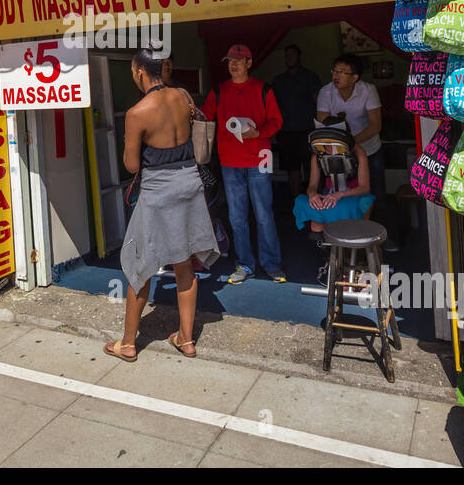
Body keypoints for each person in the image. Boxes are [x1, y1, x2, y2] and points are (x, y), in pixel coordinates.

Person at [105, 51, 218, 362]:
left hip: (158, 190)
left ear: (140, 72)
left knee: (139, 264)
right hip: (189, 183)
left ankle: (128, 343)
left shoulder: (137, 112)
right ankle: (186, 338)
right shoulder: (183, 96)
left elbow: (131, 165)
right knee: (183, 261)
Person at [201, 44, 285, 284]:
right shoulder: (218, 91)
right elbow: (205, 116)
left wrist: (257, 133)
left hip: (260, 158)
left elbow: (277, 121)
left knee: (264, 214)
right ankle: (245, 264)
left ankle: (272, 264)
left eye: (238, 60)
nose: (233, 64)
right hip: (230, 161)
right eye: (230, 61)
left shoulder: (263, 90)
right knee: (237, 217)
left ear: (249, 63)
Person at [316, 54, 386, 203]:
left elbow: (375, 125)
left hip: (369, 149)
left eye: (342, 72)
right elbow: (323, 127)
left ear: (355, 77)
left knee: (376, 194)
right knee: (341, 194)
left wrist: (350, 143)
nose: (336, 76)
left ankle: (378, 225)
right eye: (334, 71)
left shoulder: (368, 90)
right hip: (339, 154)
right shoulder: (325, 92)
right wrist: (345, 146)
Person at [293, 136, 374, 238]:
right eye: (327, 144)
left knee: (348, 226)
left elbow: (365, 188)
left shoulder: (358, 153)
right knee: (316, 224)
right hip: (330, 194)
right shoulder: (318, 155)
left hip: (355, 195)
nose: (330, 148)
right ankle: (328, 250)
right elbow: (312, 185)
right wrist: (312, 194)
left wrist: (340, 194)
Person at [271, 44, 322, 197]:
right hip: (286, 131)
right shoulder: (279, 80)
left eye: (292, 55)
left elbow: (319, 101)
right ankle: (296, 202)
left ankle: (315, 200)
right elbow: (272, 104)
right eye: (287, 55)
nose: (289, 58)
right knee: (291, 168)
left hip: (308, 130)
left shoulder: (310, 76)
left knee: (312, 167)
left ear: (299, 57)